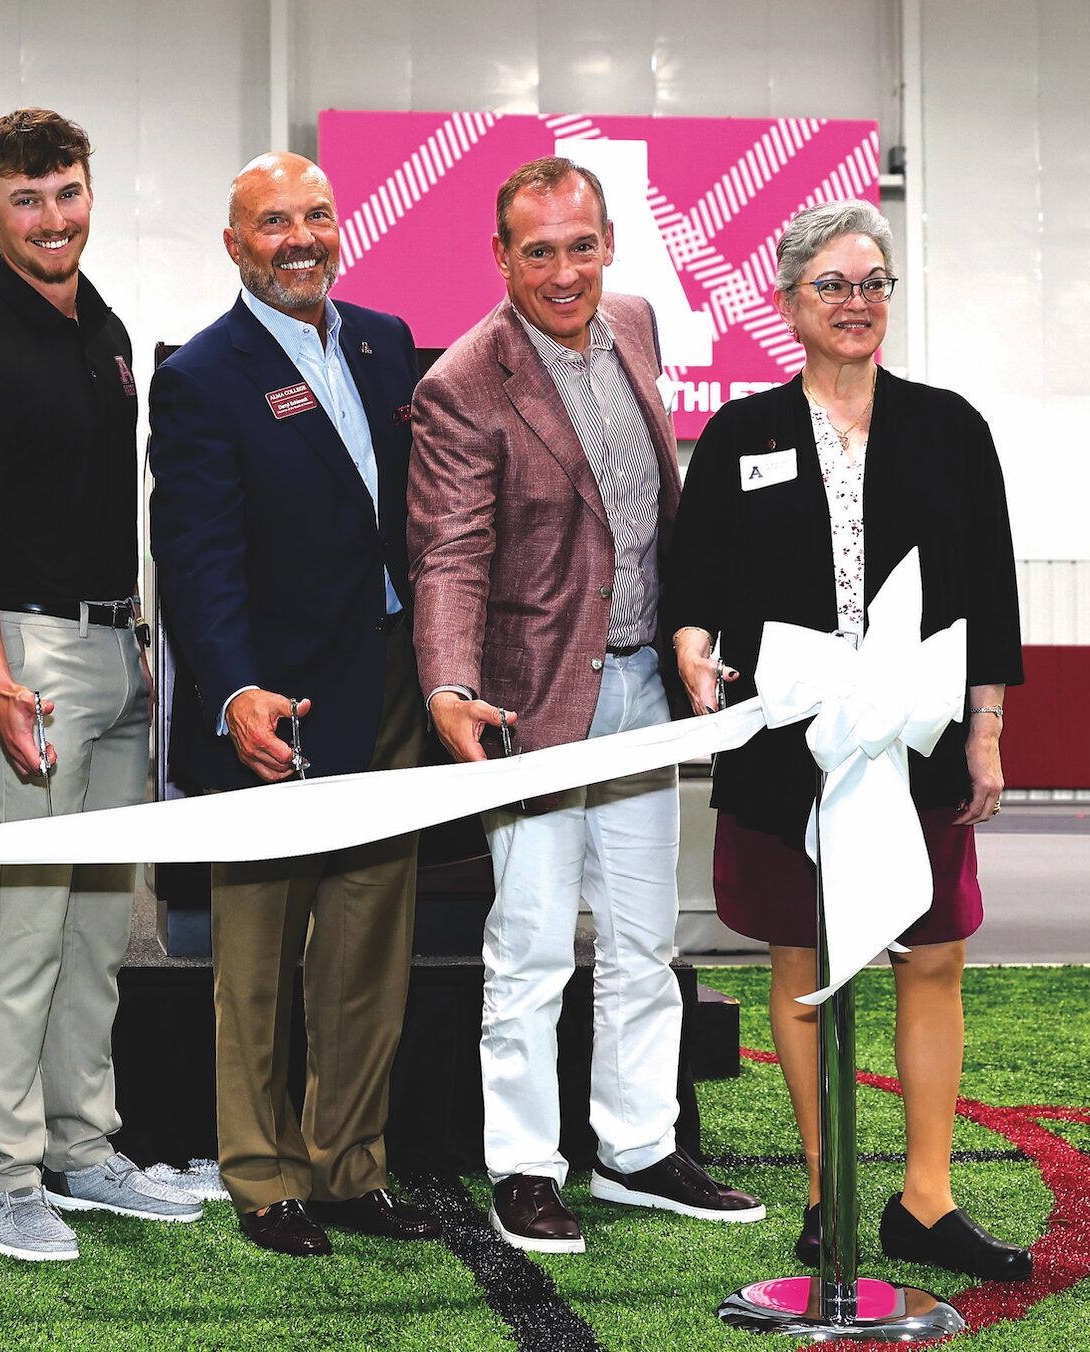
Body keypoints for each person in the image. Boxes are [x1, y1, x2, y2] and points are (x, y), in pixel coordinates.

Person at [660, 200, 1027, 1280]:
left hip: (921, 735)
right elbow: (695, 584)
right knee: (803, 954)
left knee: (933, 951)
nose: (856, 302)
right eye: (833, 284)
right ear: (789, 302)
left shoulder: (952, 429)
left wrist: (987, 728)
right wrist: (691, 647)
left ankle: (925, 1200)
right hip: (791, 741)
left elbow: (991, 592)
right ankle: (829, 1192)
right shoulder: (741, 434)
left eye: (874, 283)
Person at [408, 156, 762, 1254]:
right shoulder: (464, 383)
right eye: (539, 251)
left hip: (644, 689)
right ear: (501, 255)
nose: (563, 271)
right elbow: (449, 554)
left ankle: (638, 1147)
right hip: (532, 707)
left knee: (646, 939)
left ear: (609, 242)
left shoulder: (638, 323)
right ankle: (524, 1165)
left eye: (581, 245)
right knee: (528, 950)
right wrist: (449, 685)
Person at [148, 151, 442, 1258]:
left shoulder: (385, 342)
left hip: (389, 688)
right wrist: (233, 690)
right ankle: (265, 1176)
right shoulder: (202, 376)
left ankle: (350, 1166)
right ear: (235, 245)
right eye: (274, 222)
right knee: (259, 962)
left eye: (316, 215)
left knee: (369, 952)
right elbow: (197, 558)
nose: (300, 238)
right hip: (276, 707)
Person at [0, 107, 200, 1262]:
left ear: (90, 190)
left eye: (67, 192)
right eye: (27, 199)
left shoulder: (107, 327)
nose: (52, 218)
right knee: (23, 925)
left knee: (95, 926)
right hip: (25, 659)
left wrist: (139, 649)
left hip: (115, 650)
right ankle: (6, 1174)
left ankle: (83, 1148)